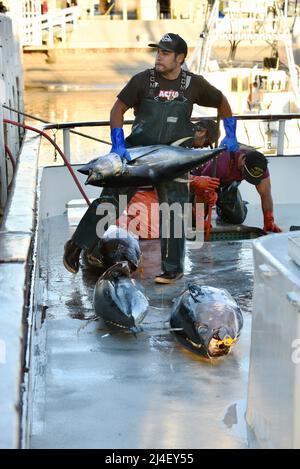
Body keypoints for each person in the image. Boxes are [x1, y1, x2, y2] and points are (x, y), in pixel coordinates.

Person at [63, 33, 238, 284]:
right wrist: (118, 143)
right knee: (110, 201)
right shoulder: (143, 80)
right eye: (157, 51)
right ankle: (77, 245)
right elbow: (118, 109)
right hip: (138, 156)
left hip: (174, 158)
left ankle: (173, 268)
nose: (159, 56)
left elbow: (222, 101)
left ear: (180, 58)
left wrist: (229, 135)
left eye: (165, 53)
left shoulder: (194, 84)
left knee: (174, 211)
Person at [191, 120, 282, 233]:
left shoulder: (259, 165)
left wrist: (269, 220)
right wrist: (200, 220)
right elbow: (200, 192)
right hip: (201, 181)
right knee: (193, 222)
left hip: (227, 184)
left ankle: (227, 206)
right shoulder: (221, 162)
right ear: (242, 159)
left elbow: (266, 194)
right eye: (245, 173)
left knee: (237, 218)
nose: (246, 177)